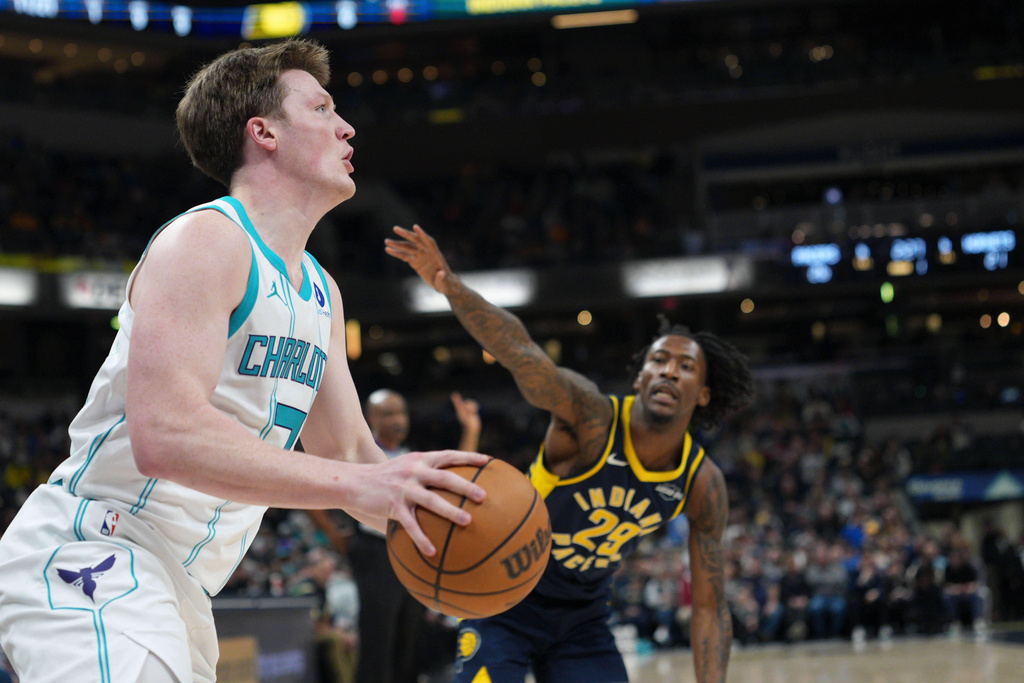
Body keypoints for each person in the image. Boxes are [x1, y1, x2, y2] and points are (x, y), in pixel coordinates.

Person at [0, 40, 489, 683]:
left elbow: (352, 460)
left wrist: (451, 523)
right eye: (321, 108)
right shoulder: (205, 240)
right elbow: (166, 436)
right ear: (263, 133)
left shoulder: (321, 291)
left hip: (182, 587)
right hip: (100, 547)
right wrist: (365, 486)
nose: (346, 126)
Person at [386, 224, 754, 683]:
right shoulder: (590, 420)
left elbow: (709, 604)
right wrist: (449, 285)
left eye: (686, 367)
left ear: (702, 394)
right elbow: (521, 352)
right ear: (640, 378)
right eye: (658, 361)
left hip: (583, 619)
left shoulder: (702, 482)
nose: (669, 372)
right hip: (504, 598)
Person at [308, 389, 482, 683]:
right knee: (379, 637)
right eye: (388, 413)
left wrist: (471, 429)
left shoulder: (409, 458)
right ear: (370, 418)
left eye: (401, 412)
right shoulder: (358, 454)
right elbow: (313, 486)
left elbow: (457, 478)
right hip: (376, 550)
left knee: (410, 638)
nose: (398, 419)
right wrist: (334, 533)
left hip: (410, 551)